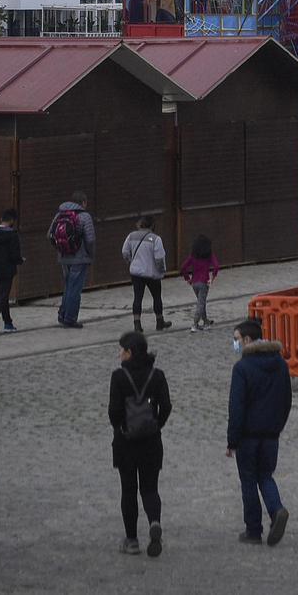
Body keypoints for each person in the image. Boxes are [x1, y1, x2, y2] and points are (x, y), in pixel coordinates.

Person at [227, 318, 291, 547]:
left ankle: (253, 530)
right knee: (265, 476)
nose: (235, 344)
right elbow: (287, 400)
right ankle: (276, 509)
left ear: (247, 340)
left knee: (248, 481)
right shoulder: (280, 364)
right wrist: (277, 426)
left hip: (248, 436)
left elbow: (237, 407)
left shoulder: (242, 368)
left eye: (236, 339)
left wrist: (232, 440)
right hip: (271, 434)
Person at [109, 330, 172, 557]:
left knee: (128, 490)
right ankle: (154, 522)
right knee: (150, 488)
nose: (118, 355)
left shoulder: (118, 378)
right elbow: (166, 406)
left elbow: (114, 412)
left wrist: (120, 428)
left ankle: (132, 540)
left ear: (129, 353)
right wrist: (156, 426)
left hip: (126, 442)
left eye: (121, 350)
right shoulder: (157, 375)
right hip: (151, 441)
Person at [50, 191, 96, 329]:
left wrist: (61, 248)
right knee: (74, 289)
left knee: (68, 286)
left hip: (64, 258)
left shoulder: (60, 214)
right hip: (80, 259)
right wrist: (90, 254)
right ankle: (70, 319)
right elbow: (90, 239)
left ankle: (62, 314)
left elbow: (49, 235)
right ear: (83, 202)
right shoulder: (85, 217)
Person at [122, 214, 171, 333]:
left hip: (136, 273)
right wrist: (162, 270)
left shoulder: (131, 236)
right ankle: (159, 321)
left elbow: (125, 252)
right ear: (153, 225)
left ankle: (137, 324)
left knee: (137, 297)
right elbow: (160, 258)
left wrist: (132, 262)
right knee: (156, 297)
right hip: (151, 273)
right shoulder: (156, 239)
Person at [181, 234, 219, 332]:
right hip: (203, 282)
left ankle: (206, 321)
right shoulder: (209, 255)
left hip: (194, 282)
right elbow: (216, 266)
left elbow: (183, 267)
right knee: (201, 303)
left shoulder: (193, 256)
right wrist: (212, 278)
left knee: (201, 302)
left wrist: (187, 278)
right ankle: (195, 323)